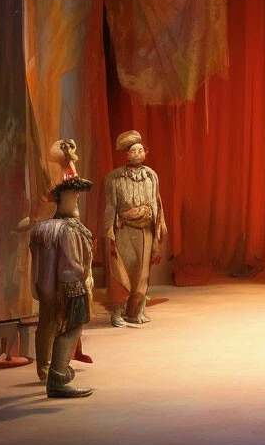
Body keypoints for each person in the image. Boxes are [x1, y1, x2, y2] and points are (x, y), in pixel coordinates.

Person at [29, 175, 95, 398]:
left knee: (49, 323)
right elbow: (71, 264)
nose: (76, 199)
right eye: (73, 196)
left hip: (47, 287)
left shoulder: (43, 229)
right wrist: (76, 288)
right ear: (62, 198)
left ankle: (48, 369)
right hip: (68, 285)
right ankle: (57, 376)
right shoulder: (67, 230)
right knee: (72, 326)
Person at [103, 130, 167, 327]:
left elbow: (157, 203)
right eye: (133, 151)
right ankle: (117, 311)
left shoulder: (151, 176)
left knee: (142, 274)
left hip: (145, 231)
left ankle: (135, 311)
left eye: (141, 150)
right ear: (126, 154)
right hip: (124, 230)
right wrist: (109, 230)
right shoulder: (115, 178)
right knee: (122, 271)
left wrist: (159, 228)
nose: (138, 153)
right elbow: (110, 206)